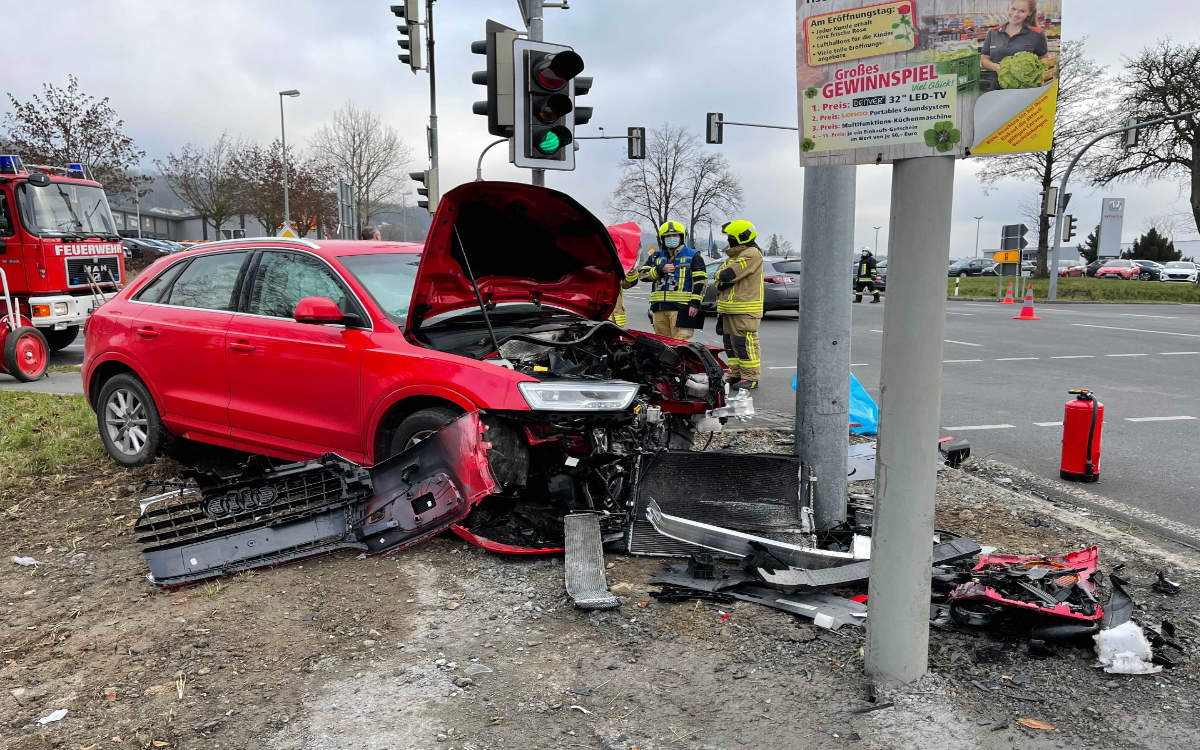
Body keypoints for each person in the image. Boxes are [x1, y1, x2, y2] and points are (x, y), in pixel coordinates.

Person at [714, 219, 764, 390]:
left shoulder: (751, 253)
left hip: (745, 310)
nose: (729, 239)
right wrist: (721, 278)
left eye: (731, 236)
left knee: (745, 344)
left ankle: (750, 377)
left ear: (740, 237)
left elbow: (726, 275)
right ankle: (736, 374)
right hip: (729, 309)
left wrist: (722, 279)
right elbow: (717, 277)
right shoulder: (735, 256)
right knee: (730, 344)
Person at [640, 220, 706, 340]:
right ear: (662, 238)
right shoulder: (655, 257)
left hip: (682, 309)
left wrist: (695, 304)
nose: (671, 238)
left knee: (680, 345)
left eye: (675, 235)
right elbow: (642, 275)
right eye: (668, 236)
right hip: (659, 308)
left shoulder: (693, 255)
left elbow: (701, 282)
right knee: (662, 345)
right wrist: (659, 270)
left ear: (681, 237)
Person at [979, 0, 1054, 92]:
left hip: (1026, 91)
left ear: (1029, 13)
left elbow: (1044, 59)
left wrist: (1030, 71)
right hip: (996, 90)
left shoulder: (1037, 34)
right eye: (1013, 9)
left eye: (1022, 11)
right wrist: (998, 67)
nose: (1015, 14)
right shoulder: (993, 32)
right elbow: (984, 60)